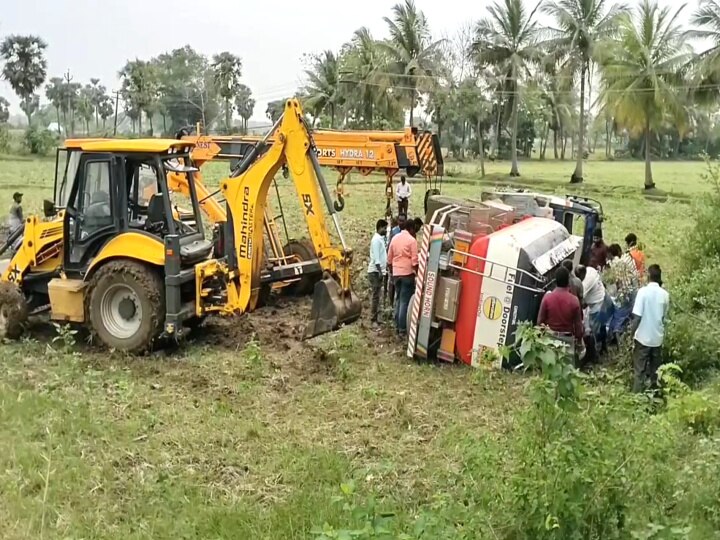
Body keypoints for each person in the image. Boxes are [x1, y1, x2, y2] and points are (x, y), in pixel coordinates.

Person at [631, 264, 669, 393]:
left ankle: (637, 397)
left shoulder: (642, 292)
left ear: (648, 276)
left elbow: (637, 317)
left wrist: (632, 334)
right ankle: (656, 397)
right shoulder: (665, 295)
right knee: (656, 371)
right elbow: (664, 317)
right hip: (657, 338)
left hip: (642, 338)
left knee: (639, 371)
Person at [538, 266, 584, 362]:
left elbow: (539, 323)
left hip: (550, 340)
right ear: (568, 281)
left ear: (555, 281)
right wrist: (579, 342)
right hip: (567, 342)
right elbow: (578, 328)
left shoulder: (547, 298)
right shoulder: (574, 301)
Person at [388, 219, 418, 337]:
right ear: (410, 229)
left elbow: (389, 258)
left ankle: (396, 325)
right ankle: (402, 329)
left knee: (398, 299)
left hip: (396, 274)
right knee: (405, 301)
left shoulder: (395, 238)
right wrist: (417, 273)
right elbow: (414, 261)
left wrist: (392, 270)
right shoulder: (412, 241)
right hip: (407, 274)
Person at [577, 264, 614, 355]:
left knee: (594, 331)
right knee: (602, 325)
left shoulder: (585, 285)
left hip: (597, 305)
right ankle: (604, 346)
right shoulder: (590, 269)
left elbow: (581, 302)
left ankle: (596, 353)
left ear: (581, 276)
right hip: (603, 297)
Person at [607, 243, 640, 340]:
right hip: (627, 292)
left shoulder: (613, 264)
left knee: (619, 316)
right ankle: (618, 340)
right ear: (618, 252)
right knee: (623, 317)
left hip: (622, 293)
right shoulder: (623, 261)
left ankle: (613, 337)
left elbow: (616, 282)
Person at [367, 219, 388, 326]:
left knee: (378, 295)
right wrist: (380, 271)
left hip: (379, 271)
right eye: (385, 228)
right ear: (380, 228)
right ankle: (373, 319)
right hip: (375, 272)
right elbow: (376, 259)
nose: (386, 230)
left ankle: (377, 318)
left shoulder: (380, 239)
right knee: (375, 296)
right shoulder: (376, 240)